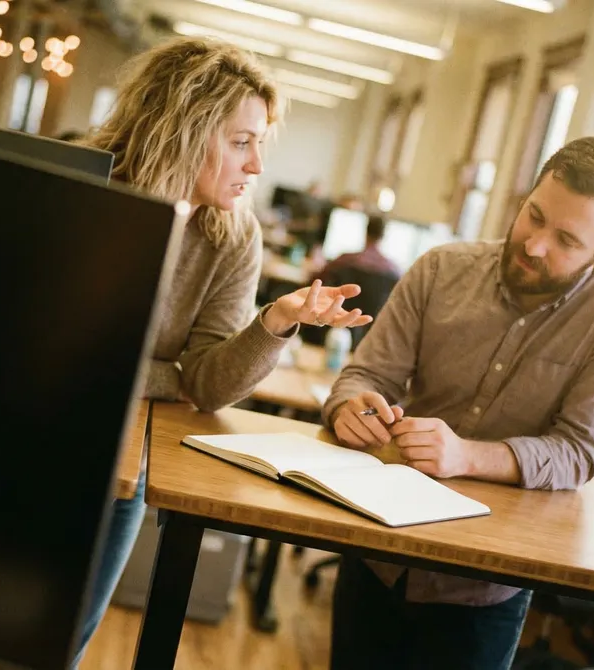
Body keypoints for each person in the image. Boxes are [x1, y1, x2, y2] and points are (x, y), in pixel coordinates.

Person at [75, 37, 372, 666]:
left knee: (64, 641)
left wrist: (277, 321)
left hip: (125, 462)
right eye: (241, 142)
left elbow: (206, 384)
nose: (257, 166)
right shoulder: (82, 185)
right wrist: (164, 374)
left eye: (260, 143)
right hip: (30, 429)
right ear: (182, 131)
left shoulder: (232, 234)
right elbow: (53, 340)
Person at [322, 136, 594, 670]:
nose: (535, 245)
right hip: (377, 551)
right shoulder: (439, 269)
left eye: (567, 239)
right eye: (534, 215)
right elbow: (366, 373)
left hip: (483, 586)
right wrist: (349, 407)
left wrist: (466, 456)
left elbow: (577, 453)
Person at [313, 214, 402, 284]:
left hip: (340, 306)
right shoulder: (394, 272)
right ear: (383, 236)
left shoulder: (344, 260)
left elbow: (317, 281)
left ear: (366, 233)